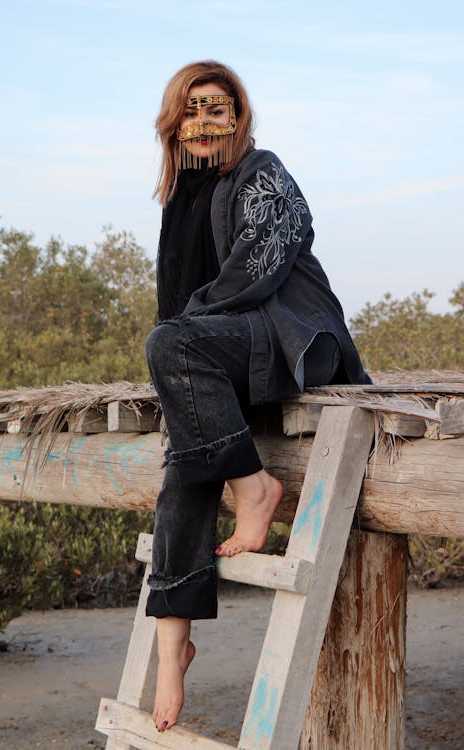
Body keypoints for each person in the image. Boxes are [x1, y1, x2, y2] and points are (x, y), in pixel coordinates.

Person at [144, 60, 371, 732]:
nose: (205, 121)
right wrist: (183, 354)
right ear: (173, 122)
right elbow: (174, 306)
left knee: (168, 347)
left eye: (219, 108)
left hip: (291, 336)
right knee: (187, 463)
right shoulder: (178, 198)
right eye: (192, 109)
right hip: (226, 353)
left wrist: (185, 339)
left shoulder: (262, 171)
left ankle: (254, 487)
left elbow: (265, 257)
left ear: (239, 117)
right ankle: (172, 646)